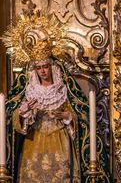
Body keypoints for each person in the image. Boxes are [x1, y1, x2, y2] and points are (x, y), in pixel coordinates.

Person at [3, 11, 110, 183]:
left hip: (61, 143)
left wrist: (69, 117)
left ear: (52, 67)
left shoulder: (64, 88)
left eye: (45, 66)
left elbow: (82, 115)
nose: (43, 71)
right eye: (38, 68)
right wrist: (24, 113)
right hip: (33, 144)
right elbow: (11, 121)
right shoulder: (28, 89)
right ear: (34, 69)